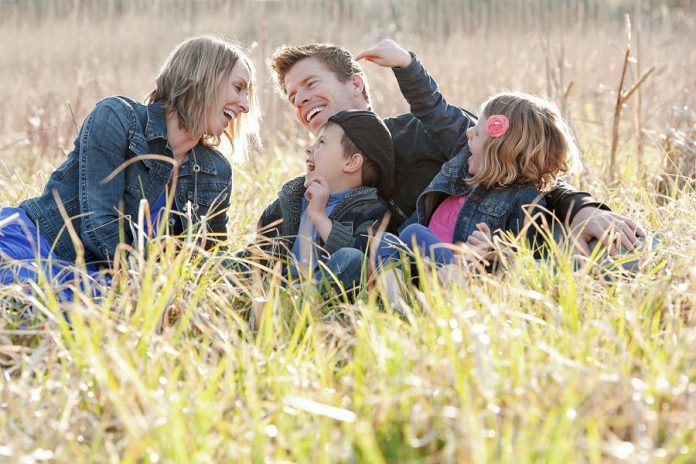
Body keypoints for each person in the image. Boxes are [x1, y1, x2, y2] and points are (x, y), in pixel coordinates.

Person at [269, 42, 644, 260]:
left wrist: (582, 208)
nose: (301, 99)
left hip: (490, 253)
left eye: (309, 83)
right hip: (412, 274)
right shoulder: (315, 183)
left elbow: (520, 168)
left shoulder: (427, 132)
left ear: (355, 84)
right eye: (292, 96)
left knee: (601, 251)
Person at [0, 35, 260, 298]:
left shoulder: (216, 172)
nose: (246, 106)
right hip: (36, 247)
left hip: (108, 283)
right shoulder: (117, 118)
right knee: (29, 301)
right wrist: (153, 286)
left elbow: (208, 259)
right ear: (203, 77)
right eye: (238, 87)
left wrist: (265, 260)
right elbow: (100, 228)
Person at [361, 40, 580, 272]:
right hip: (419, 266)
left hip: (462, 276)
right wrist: (405, 63)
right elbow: (435, 111)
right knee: (383, 242)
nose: (467, 132)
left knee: (414, 233)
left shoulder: (525, 201)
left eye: (477, 133)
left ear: (500, 148)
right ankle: (394, 297)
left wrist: (497, 253)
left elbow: (528, 259)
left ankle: (441, 282)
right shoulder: (462, 167)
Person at [247, 110, 392, 293]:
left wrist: (319, 216)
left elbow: (361, 262)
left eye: (321, 142)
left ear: (351, 163)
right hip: (278, 282)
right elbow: (258, 249)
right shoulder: (292, 199)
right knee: (228, 262)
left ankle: (299, 298)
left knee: (353, 258)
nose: (309, 148)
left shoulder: (370, 209)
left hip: (322, 289)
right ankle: (268, 296)